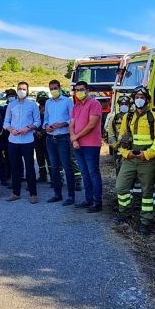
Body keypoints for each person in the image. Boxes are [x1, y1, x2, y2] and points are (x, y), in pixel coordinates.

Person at [115, 86, 155, 234]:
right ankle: (125, 213)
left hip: (146, 160)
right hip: (129, 158)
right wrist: (125, 153)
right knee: (121, 187)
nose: (139, 100)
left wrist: (147, 155)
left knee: (147, 192)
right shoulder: (127, 117)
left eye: (142, 97)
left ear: (148, 100)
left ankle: (145, 221)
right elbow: (121, 138)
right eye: (137, 97)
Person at [3, 81, 40, 203]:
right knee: (15, 167)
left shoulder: (32, 105)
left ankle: (33, 194)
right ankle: (16, 193)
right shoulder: (11, 105)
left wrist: (28, 128)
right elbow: (6, 122)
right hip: (13, 141)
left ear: (27, 91)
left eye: (24, 89)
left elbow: (37, 122)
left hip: (27, 140)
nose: (21, 91)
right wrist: (11, 130)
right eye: (19, 88)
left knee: (29, 167)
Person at [70, 81, 103, 213]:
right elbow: (71, 125)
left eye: (81, 89)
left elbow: (91, 125)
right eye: (77, 90)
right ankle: (88, 199)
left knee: (93, 173)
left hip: (91, 145)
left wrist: (75, 137)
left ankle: (97, 202)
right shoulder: (76, 106)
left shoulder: (94, 104)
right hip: (78, 145)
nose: (79, 92)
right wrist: (74, 139)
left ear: (87, 90)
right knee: (84, 173)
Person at [43, 79, 75, 206]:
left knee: (67, 167)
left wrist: (62, 124)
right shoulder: (48, 102)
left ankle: (71, 196)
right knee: (54, 167)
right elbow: (45, 119)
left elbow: (73, 119)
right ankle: (57, 194)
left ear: (60, 88)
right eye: (51, 89)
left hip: (63, 138)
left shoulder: (67, 101)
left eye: (55, 88)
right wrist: (46, 126)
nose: (53, 91)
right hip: (50, 138)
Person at [0, 88, 16, 186]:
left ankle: (19, 175)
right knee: (7, 157)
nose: (10, 98)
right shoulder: (4, 108)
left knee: (16, 157)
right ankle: (8, 175)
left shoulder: (19, 106)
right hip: (5, 136)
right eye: (9, 96)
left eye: (12, 96)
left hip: (18, 134)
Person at [34, 91, 51, 183]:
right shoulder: (36, 109)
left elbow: (50, 122)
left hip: (47, 137)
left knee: (49, 157)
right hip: (37, 138)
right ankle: (42, 175)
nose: (42, 100)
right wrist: (36, 132)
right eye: (40, 98)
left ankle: (53, 177)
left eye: (43, 98)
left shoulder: (50, 110)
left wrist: (43, 132)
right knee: (40, 157)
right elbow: (31, 122)